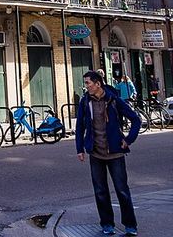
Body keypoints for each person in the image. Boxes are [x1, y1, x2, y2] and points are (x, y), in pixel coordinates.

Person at [75, 70, 141, 236]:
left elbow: (135, 119)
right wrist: (80, 148)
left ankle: (130, 225)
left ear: (98, 84)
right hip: (96, 153)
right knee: (100, 191)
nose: (86, 86)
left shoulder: (113, 100)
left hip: (115, 153)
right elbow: (79, 127)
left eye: (88, 83)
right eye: (86, 83)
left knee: (122, 190)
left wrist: (128, 139)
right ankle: (107, 224)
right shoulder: (85, 102)